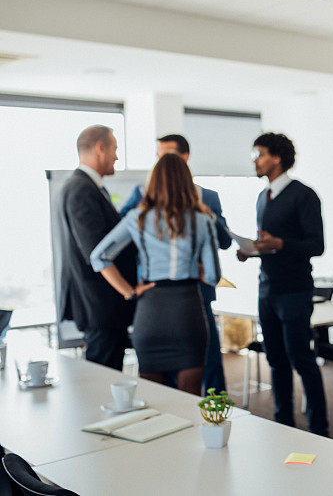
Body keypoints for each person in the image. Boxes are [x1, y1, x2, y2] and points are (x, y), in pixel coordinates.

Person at [90, 153, 220, 395]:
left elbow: (98, 257)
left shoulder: (136, 218)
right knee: (189, 400)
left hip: (151, 314)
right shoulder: (203, 220)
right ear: (186, 181)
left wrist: (129, 291)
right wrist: (195, 267)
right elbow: (213, 276)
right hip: (187, 313)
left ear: (154, 182)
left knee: (153, 402)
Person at [121, 134, 232, 395]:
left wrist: (207, 218)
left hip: (197, 295)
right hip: (154, 293)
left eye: (168, 154)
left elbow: (225, 241)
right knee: (170, 386)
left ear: (185, 157)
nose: (163, 160)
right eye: (159, 155)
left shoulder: (208, 198)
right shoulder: (141, 197)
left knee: (211, 365)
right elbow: (123, 231)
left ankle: (217, 415)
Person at [237, 132, 328, 436]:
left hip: (294, 289)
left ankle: (319, 427)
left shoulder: (304, 195)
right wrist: (251, 249)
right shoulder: (263, 197)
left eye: (258, 154)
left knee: (301, 358)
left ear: (276, 158)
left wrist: (280, 243)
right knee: (275, 359)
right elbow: (269, 243)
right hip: (267, 288)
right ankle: (283, 423)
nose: (255, 161)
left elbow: (317, 245)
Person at [54, 125, 138, 370]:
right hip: (100, 307)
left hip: (102, 307)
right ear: (100, 148)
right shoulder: (80, 189)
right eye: (114, 149)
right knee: (105, 379)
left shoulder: (83, 186)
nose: (116, 157)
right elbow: (98, 253)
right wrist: (128, 291)